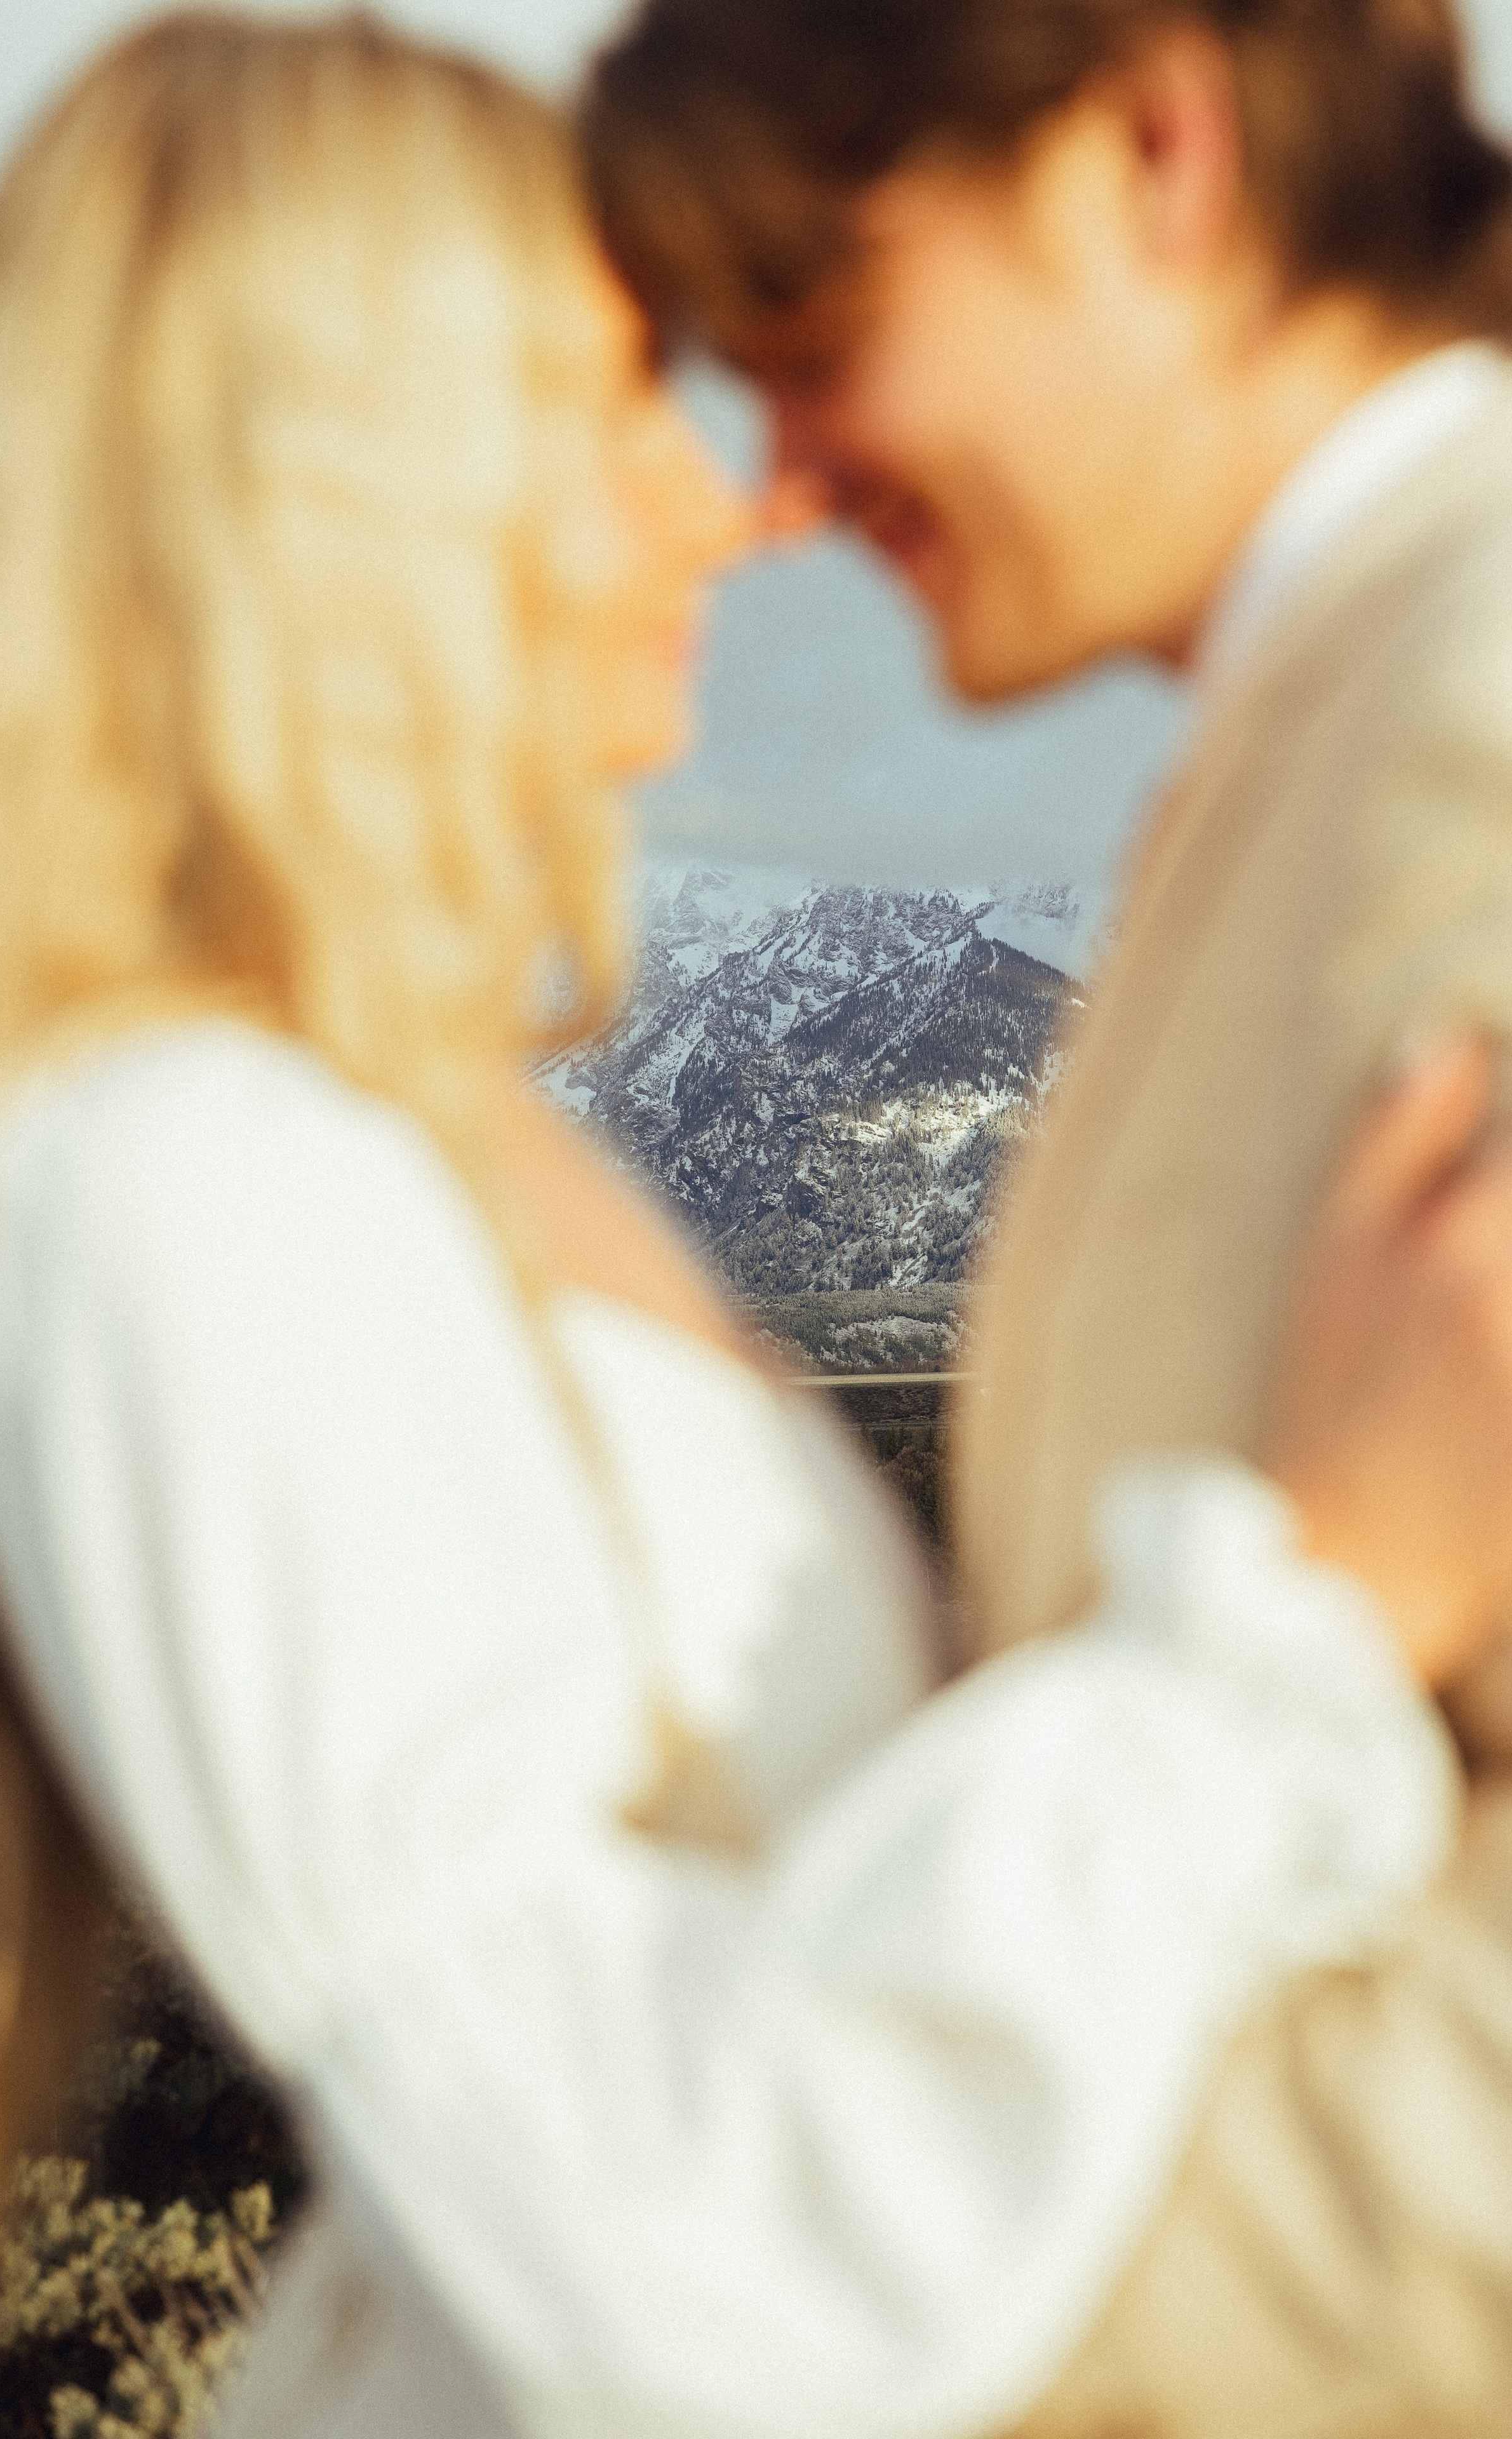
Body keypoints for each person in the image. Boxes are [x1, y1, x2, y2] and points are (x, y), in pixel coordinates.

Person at [0, 11, 1512, 2437]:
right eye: (617, 396)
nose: (730, 494)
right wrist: (1312, 1609)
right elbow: (620, 2217)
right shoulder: (175, 1170)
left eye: (770, 348)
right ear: (337, 480)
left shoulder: (414, 1137)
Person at [582, 0, 1512, 2428]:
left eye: (815, 323)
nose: (774, 477)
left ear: (1153, 153)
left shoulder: (1484, 689)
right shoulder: (1343, 690)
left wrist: (877, 2320)